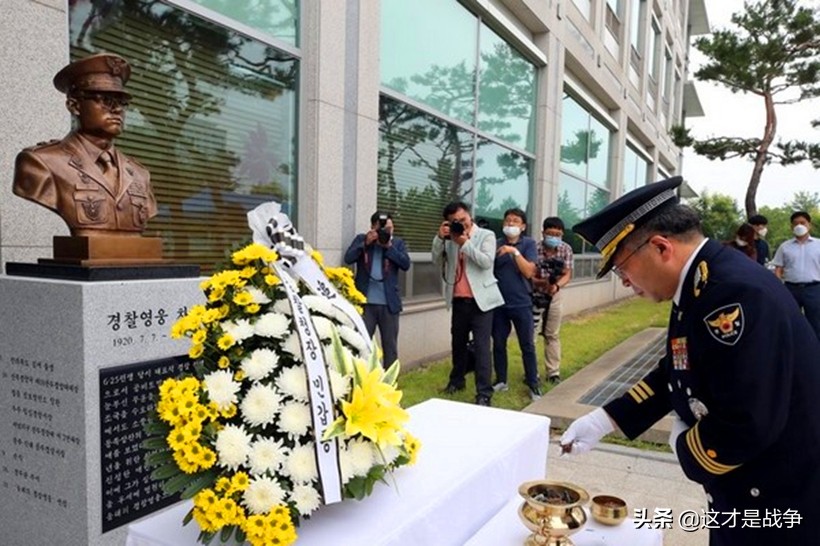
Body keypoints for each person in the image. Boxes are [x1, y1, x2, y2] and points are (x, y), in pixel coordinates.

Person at [561, 176, 820, 545]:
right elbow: (679, 365)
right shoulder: (702, 281)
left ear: (661, 247)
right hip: (748, 488)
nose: (626, 283)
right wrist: (608, 418)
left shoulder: (733, 293)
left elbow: (746, 424)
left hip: (776, 497)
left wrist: (685, 446)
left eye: (622, 269)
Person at [13, 53, 157, 236]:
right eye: (105, 100)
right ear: (74, 106)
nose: (118, 109)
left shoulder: (140, 174)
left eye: (122, 102)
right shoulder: (41, 162)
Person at [432, 201, 504, 406]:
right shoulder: (449, 237)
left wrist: (465, 242)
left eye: (463, 220)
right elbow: (436, 260)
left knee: (482, 348)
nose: (460, 224)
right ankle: (456, 382)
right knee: (458, 344)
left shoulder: (486, 236)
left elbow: (486, 262)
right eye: (455, 221)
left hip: (481, 302)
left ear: (469, 216)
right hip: (459, 299)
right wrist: (440, 238)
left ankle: (484, 393)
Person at [344, 211, 411, 368]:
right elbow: (348, 258)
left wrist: (388, 247)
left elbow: (406, 264)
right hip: (365, 303)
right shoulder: (362, 240)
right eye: (382, 228)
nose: (386, 232)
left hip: (389, 304)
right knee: (362, 345)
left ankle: (389, 385)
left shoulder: (397, 243)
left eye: (389, 228)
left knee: (390, 347)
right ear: (372, 227)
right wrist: (365, 243)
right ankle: (363, 380)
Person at [490, 208, 540, 400]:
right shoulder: (495, 244)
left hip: (521, 303)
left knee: (527, 344)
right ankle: (501, 380)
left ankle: (533, 384)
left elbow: (529, 272)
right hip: (499, 304)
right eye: (508, 221)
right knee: (499, 343)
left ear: (523, 226)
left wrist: (514, 252)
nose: (511, 225)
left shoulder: (529, 244)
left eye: (515, 221)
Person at [532, 217, 573, 384]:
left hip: (555, 295)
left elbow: (567, 274)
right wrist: (542, 283)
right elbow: (529, 274)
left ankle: (553, 372)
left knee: (552, 334)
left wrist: (555, 286)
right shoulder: (534, 249)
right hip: (534, 294)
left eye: (557, 234)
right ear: (543, 233)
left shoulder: (566, 249)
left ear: (562, 234)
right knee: (531, 336)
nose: (554, 237)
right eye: (550, 233)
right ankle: (531, 372)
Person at [771, 211, 820, 339]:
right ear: (791, 226)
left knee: (816, 322)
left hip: (814, 289)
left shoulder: (818, 245)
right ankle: (795, 351)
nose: (799, 226)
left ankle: (815, 352)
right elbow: (778, 268)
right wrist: (778, 288)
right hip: (791, 289)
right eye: (796, 223)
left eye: (802, 223)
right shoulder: (784, 247)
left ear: (809, 225)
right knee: (791, 320)